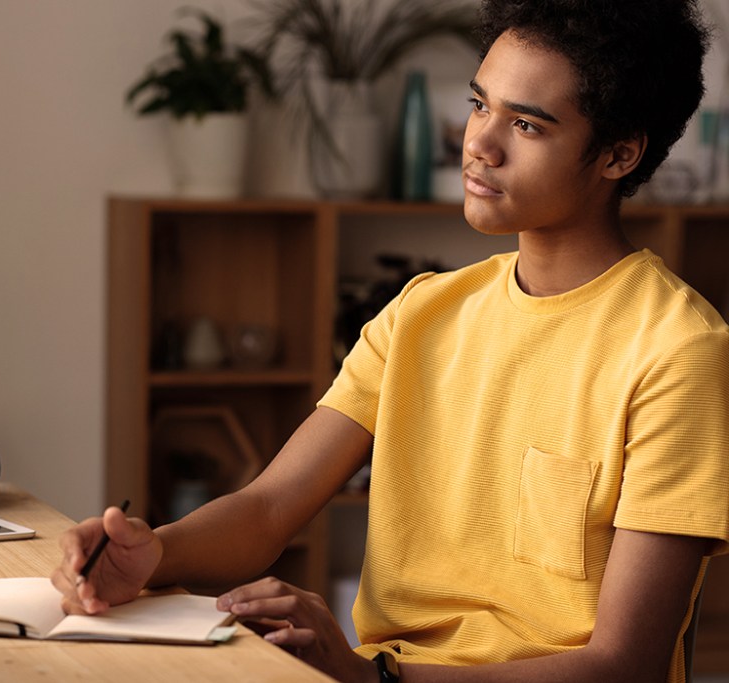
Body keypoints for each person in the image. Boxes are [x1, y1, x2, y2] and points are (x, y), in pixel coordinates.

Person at [53, 1, 729, 681]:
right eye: (478, 105)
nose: (479, 144)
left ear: (619, 153)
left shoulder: (678, 350)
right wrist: (152, 555)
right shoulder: (421, 312)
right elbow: (267, 509)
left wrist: (372, 676)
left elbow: (625, 664)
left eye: (525, 123)